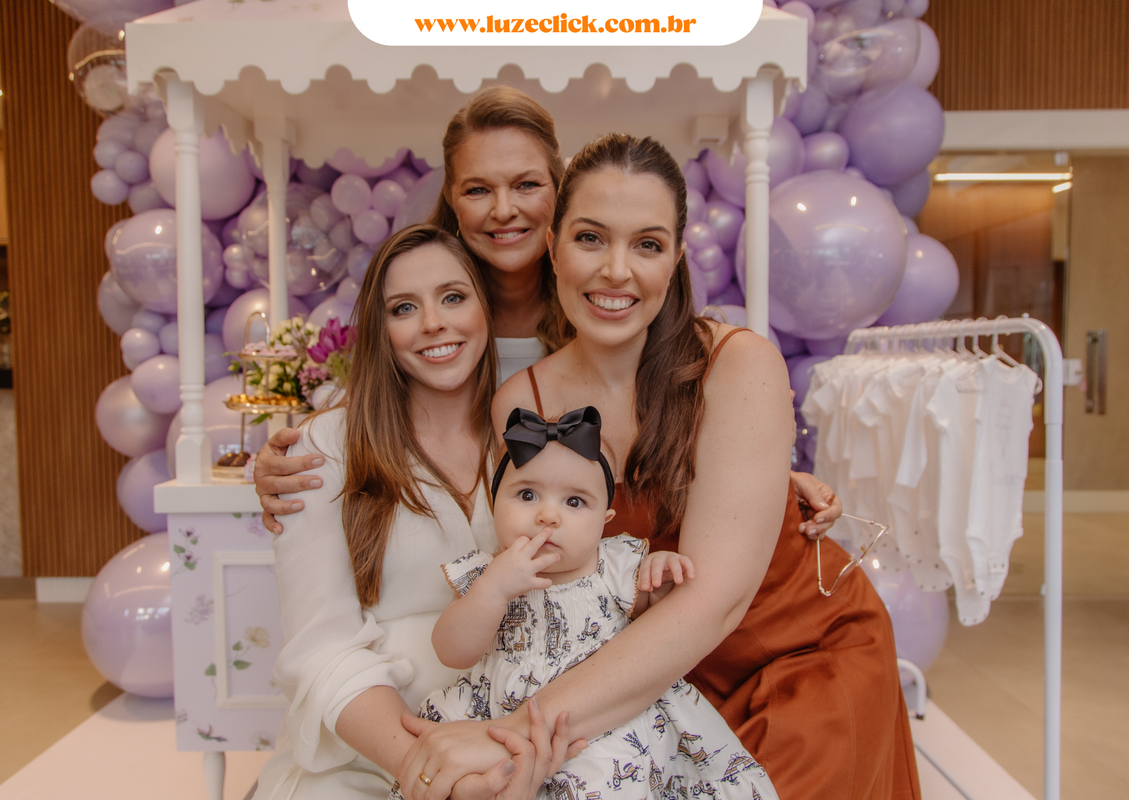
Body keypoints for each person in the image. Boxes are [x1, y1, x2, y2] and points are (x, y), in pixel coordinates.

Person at [391, 135, 922, 800]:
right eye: (590, 238)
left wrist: (514, 731)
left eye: (646, 244)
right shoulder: (521, 403)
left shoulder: (737, 363)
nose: (616, 271)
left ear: (675, 259)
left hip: (795, 657)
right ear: (553, 246)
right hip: (646, 684)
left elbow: (714, 600)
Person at [255, 85, 840, 540]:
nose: (503, 210)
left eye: (527, 185)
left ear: (560, 195)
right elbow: (381, 408)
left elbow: (663, 423)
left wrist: (757, 473)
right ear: (452, 200)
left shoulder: (609, 310)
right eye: (478, 190)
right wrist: (296, 457)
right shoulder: (434, 319)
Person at [252, 225, 582, 800]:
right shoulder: (324, 447)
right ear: (380, 329)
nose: (433, 323)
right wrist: (432, 774)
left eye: (453, 297)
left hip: (512, 745)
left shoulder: (535, 434)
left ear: (486, 310)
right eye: (404, 308)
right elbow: (320, 649)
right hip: (368, 753)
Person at [390, 405, 780, 800]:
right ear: (494, 508)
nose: (548, 515)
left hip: (600, 719)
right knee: (455, 775)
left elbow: (665, 622)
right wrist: (493, 590)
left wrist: (659, 574)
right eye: (527, 495)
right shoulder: (485, 573)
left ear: (604, 521)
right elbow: (452, 651)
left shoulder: (615, 566)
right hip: (496, 716)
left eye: (574, 502)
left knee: (606, 778)